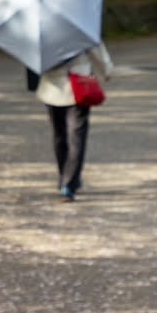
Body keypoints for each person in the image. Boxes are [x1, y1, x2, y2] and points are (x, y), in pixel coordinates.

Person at [35, 41, 113, 201]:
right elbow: (96, 49)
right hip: (78, 86)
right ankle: (69, 183)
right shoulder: (80, 26)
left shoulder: (43, 30)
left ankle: (65, 177)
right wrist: (106, 70)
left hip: (51, 87)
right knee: (76, 136)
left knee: (59, 135)